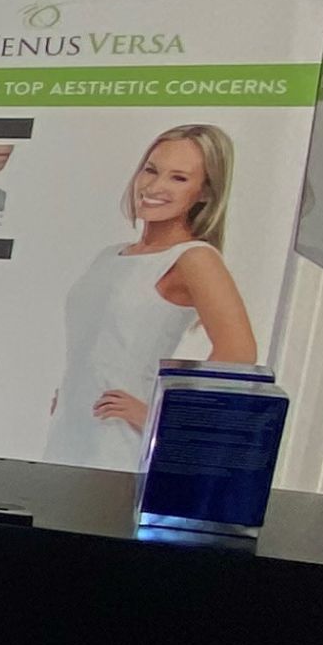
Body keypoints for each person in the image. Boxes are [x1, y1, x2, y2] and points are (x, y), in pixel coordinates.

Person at [43, 124, 258, 469]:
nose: (155, 187)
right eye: (151, 170)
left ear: (205, 193)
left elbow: (238, 353)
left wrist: (164, 416)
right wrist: (71, 395)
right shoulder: (110, 255)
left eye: (179, 178)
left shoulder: (194, 258)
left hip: (118, 445)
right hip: (69, 431)